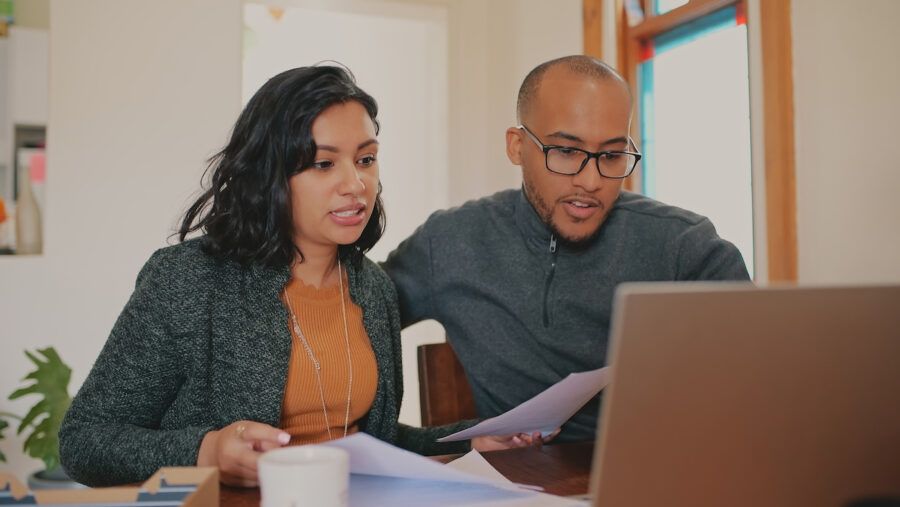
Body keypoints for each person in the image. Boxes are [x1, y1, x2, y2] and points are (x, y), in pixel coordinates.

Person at [59, 65, 535, 488]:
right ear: (269, 175)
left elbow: (370, 443)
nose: (355, 185)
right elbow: (85, 442)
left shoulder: (372, 287)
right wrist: (207, 451)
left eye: (365, 159)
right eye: (323, 164)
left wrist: (468, 440)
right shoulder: (188, 280)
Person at [383, 55, 751, 443]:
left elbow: (766, 375)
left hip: (660, 474)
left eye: (610, 156)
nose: (590, 181)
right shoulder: (450, 242)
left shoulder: (684, 246)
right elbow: (346, 318)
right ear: (517, 146)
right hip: (522, 487)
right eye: (566, 151)